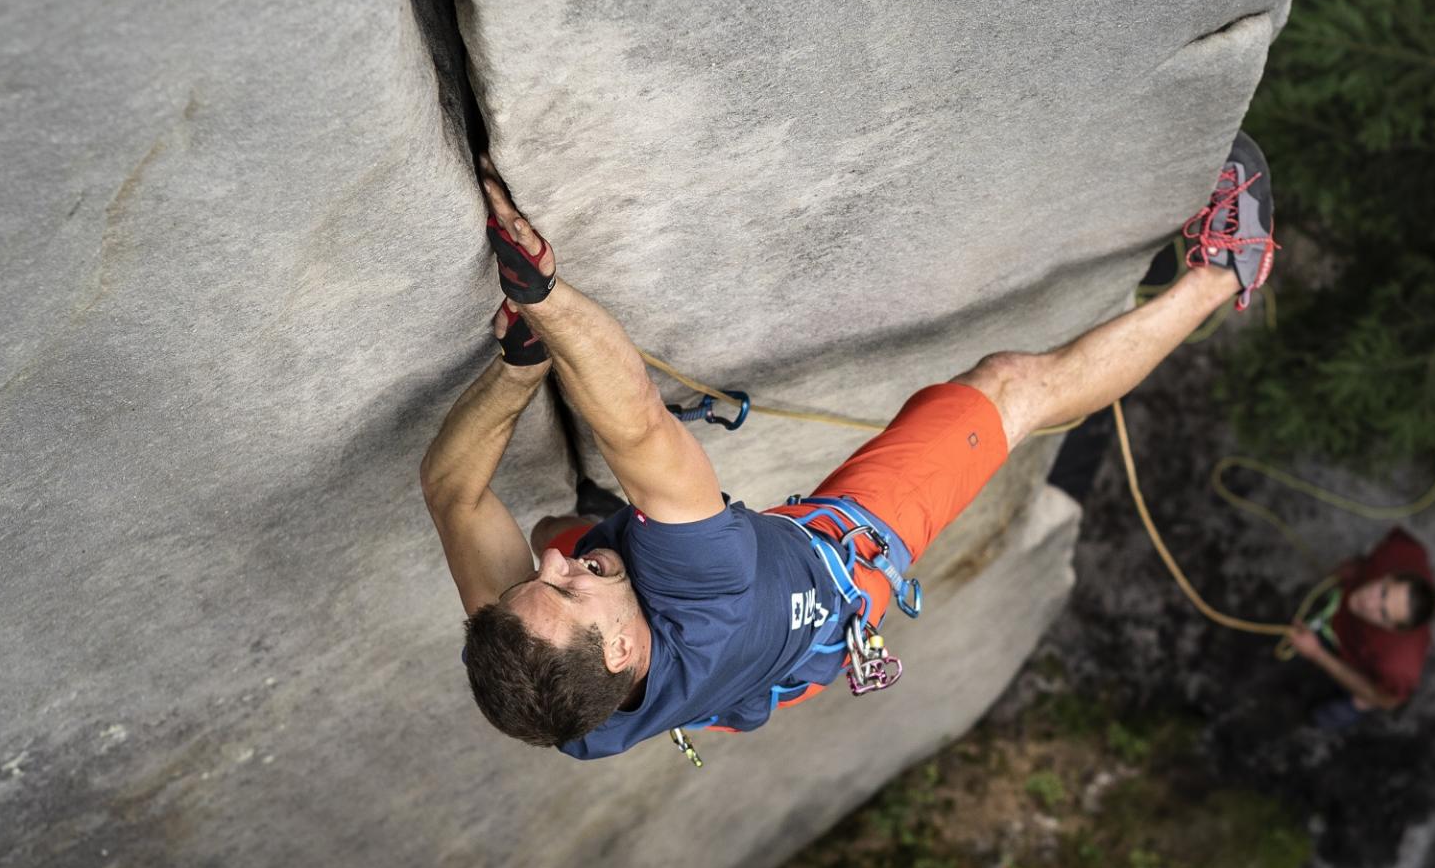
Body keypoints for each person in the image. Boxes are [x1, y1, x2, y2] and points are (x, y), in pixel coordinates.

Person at [421, 135, 1279, 760]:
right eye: (568, 594)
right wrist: (544, 298)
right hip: (841, 569)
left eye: (540, 591)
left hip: (754, 668)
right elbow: (638, 422)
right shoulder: (704, 589)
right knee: (1013, 389)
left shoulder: (558, 708)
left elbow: (451, 491)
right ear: (618, 651)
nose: (558, 576)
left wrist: (516, 368)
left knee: (546, 531)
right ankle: (1226, 271)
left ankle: (599, 532)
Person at [1283, 528, 1435, 727]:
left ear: (1394, 628)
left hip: (1370, 677)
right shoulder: (1401, 551)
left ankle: (1354, 707)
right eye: (1382, 592)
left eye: (1382, 614)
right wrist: (1360, 565)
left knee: (1327, 716)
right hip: (1346, 630)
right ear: (1389, 576)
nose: (1368, 603)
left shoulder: (1399, 665)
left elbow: (1386, 700)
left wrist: (1317, 654)